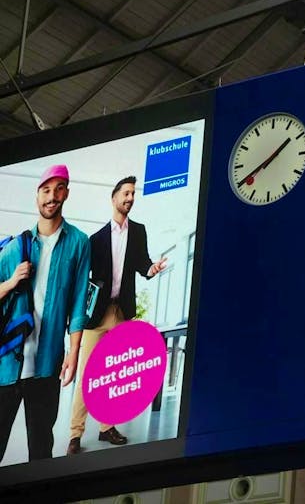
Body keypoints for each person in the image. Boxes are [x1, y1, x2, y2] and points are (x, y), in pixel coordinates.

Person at [67, 176, 166, 455]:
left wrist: (152, 269)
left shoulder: (139, 231)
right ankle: (75, 434)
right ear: (114, 198)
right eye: (126, 193)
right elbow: (83, 278)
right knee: (87, 374)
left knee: (113, 375)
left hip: (121, 313)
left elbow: (142, 263)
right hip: (96, 315)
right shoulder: (95, 239)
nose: (130, 198)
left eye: (133, 194)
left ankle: (106, 427)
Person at [0, 164, 89, 461]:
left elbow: (78, 302)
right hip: (7, 365)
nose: (52, 197)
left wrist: (74, 353)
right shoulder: (16, 247)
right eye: (46, 190)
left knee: (41, 450)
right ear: (37, 196)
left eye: (58, 189)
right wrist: (12, 281)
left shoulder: (78, 243)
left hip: (48, 363)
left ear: (67, 192)